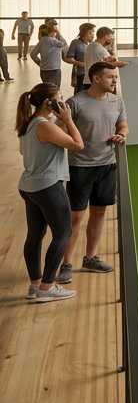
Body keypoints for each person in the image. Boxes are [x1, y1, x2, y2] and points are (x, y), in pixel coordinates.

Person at [56, 61, 128, 283]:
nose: (115, 80)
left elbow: (123, 126)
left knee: (99, 212)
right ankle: (66, 264)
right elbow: (59, 132)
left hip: (107, 166)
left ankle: (90, 258)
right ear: (96, 78)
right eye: (110, 77)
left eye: (115, 76)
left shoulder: (116, 101)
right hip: (80, 167)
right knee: (75, 217)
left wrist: (121, 136)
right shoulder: (75, 103)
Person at [15, 82, 84, 303]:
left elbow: (23, 150)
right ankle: (47, 287)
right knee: (63, 233)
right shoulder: (45, 126)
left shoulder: (29, 122)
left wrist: (58, 123)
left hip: (29, 186)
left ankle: (35, 285)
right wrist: (68, 120)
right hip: (48, 186)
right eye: (60, 98)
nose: (63, 102)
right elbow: (78, 145)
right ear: (49, 102)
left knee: (35, 235)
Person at [66, 23, 94, 92]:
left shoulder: (93, 44)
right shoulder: (76, 43)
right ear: (84, 33)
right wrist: (81, 64)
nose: (92, 35)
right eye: (90, 33)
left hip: (92, 73)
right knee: (80, 93)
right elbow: (68, 58)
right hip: (81, 74)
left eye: (93, 32)